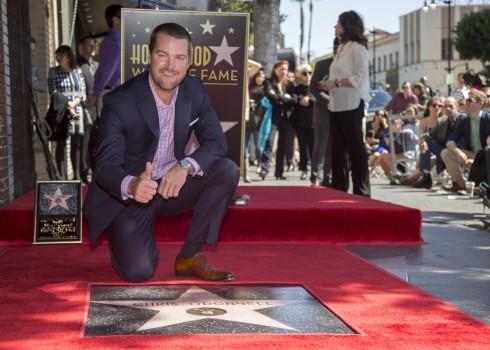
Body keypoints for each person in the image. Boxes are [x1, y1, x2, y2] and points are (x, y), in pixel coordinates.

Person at [83, 23, 240, 283]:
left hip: (171, 186)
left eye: (179, 57)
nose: (170, 66)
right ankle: (129, 241)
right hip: (132, 195)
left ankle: (189, 256)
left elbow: (216, 142)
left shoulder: (194, 90)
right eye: (162, 55)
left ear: (189, 63)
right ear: (148, 56)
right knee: (138, 272)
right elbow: (105, 166)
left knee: (226, 170)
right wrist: (132, 184)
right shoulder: (119, 101)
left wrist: (185, 166)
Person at [318, 11, 371, 197]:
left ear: (347, 26)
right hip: (335, 103)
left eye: (338, 24)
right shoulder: (341, 48)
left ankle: (361, 191)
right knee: (337, 148)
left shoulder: (358, 47)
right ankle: (340, 187)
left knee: (355, 147)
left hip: (351, 103)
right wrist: (328, 84)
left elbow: (360, 76)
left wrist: (336, 83)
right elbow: (337, 75)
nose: (335, 27)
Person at [48, 45, 87, 180]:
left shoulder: (77, 71)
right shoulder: (53, 71)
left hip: (76, 110)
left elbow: (82, 92)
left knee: (76, 144)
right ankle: (62, 177)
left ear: (69, 57)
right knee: (62, 143)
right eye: (57, 55)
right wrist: (67, 104)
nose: (59, 57)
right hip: (61, 112)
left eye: (62, 54)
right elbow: (53, 91)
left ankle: (76, 177)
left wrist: (74, 103)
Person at [441, 89, 490, 192]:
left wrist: (477, 161)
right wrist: (458, 153)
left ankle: (482, 186)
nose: (465, 103)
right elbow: (451, 141)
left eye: (469, 100)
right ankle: (461, 184)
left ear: (480, 103)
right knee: (446, 152)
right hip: (472, 155)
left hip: (486, 156)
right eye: (465, 100)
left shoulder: (488, 119)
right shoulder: (463, 120)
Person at [258, 60, 295, 180]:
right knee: (269, 141)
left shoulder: (289, 84)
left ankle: (279, 172)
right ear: (275, 69)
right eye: (281, 69)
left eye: (285, 69)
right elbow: (271, 97)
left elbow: (294, 98)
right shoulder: (268, 82)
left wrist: (283, 99)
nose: (284, 71)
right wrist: (285, 98)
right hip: (272, 116)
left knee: (283, 144)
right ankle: (264, 169)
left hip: (286, 117)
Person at [309, 38, 339, 186]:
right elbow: (313, 89)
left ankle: (328, 178)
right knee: (321, 146)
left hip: (340, 114)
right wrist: (330, 102)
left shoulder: (347, 67)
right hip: (323, 113)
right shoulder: (322, 65)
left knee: (333, 147)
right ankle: (316, 177)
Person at [86, 4, 123, 112]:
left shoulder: (113, 40)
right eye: (124, 18)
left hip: (113, 93)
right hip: (111, 94)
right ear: (115, 20)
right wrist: (96, 93)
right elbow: (107, 70)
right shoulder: (114, 41)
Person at [77, 35, 99, 183]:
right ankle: (83, 173)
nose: (92, 48)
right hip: (84, 110)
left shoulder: (98, 65)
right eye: (88, 45)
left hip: (99, 110)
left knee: (96, 143)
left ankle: (96, 171)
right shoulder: (76, 65)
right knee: (84, 144)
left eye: (93, 45)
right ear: (81, 47)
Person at [293, 64, 315, 180]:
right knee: (302, 147)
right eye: (304, 74)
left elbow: (319, 99)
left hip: (313, 123)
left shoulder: (315, 88)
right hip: (300, 123)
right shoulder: (297, 89)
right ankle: (304, 170)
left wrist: (309, 100)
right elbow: (293, 100)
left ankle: (314, 170)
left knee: (313, 147)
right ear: (300, 76)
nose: (307, 76)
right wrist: (299, 100)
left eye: (310, 73)